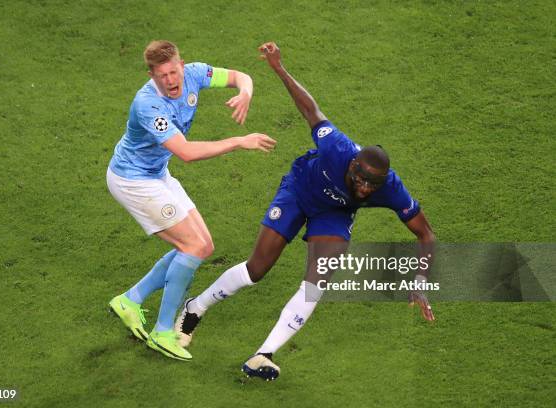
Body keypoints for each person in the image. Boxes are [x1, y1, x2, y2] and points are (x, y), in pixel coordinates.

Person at [175, 42, 436, 378]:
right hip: (300, 190)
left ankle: (263, 355)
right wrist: (279, 68)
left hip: (335, 213)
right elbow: (310, 109)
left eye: (373, 186)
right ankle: (195, 308)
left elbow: (425, 234)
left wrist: (421, 279)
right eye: (361, 181)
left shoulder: (390, 187)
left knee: (317, 281)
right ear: (353, 165)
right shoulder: (336, 147)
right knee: (257, 268)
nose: (366, 189)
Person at [107, 40, 276, 361]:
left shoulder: (195, 73)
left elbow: (241, 76)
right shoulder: (148, 105)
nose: (171, 81)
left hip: (156, 173)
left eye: (173, 72)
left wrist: (246, 93)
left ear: (181, 65)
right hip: (132, 181)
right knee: (192, 247)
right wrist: (239, 141)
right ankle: (163, 331)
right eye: (162, 76)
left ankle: (130, 300)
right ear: (151, 75)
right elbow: (185, 152)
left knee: (204, 246)